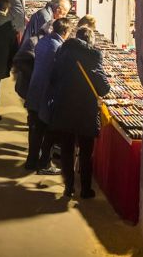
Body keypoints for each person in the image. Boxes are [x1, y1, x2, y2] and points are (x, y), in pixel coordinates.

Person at [47, 26, 110, 198]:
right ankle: (85, 189)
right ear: (90, 40)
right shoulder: (94, 55)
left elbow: (53, 78)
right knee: (85, 151)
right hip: (85, 111)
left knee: (66, 149)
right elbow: (103, 88)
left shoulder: (62, 51)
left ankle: (68, 187)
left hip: (64, 108)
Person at [24, 18, 70, 173]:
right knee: (47, 130)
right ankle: (44, 163)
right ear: (65, 32)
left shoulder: (43, 42)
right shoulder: (59, 47)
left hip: (34, 92)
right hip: (46, 95)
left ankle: (31, 161)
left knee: (34, 129)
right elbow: (58, 73)